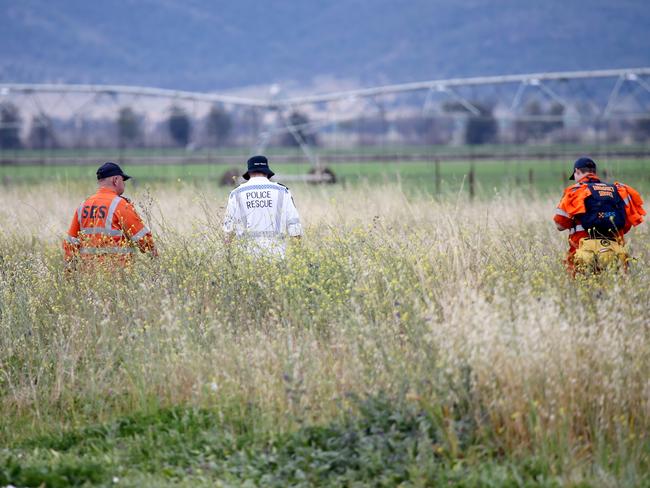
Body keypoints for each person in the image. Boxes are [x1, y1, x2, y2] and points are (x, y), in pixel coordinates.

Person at [553, 157, 645, 272]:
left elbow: (560, 225)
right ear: (594, 172)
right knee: (612, 286)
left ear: (577, 171)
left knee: (583, 287)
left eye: (575, 176)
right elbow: (626, 225)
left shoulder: (575, 191)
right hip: (613, 252)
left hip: (583, 253)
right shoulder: (619, 190)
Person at [63, 162, 156, 267]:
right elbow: (144, 241)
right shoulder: (120, 205)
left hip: (88, 274)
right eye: (123, 180)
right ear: (115, 180)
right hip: (117, 275)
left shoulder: (83, 205)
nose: (124, 184)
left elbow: (71, 244)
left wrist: (69, 275)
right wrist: (155, 258)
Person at [223, 155, 302, 258]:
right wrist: (298, 257)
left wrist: (228, 258)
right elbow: (294, 226)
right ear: (266, 172)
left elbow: (228, 230)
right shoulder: (283, 191)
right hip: (276, 256)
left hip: (245, 259)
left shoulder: (236, 193)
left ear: (249, 173)